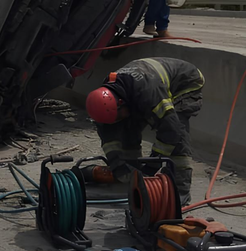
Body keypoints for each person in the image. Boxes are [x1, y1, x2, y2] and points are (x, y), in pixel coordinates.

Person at [84, 57, 204, 205]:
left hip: (185, 82)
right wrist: (118, 165)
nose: (117, 120)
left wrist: (152, 166)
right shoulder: (106, 97)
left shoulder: (147, 93)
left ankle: (180, 190)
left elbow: (170, 129)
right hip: (144, 85)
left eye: (118, 115)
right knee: (127, 126)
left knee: (177, 129)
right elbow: (109, 138)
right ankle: (132, 175)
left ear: (120, 102)